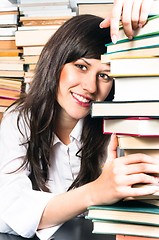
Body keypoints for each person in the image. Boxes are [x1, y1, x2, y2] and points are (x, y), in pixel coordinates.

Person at [0, 5, 158, 240]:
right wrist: (96, 192)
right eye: (81, 67)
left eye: (104, 75)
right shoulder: (20, 120)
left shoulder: (122, 127)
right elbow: (8, 211)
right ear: (56, 62)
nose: (91, 87)